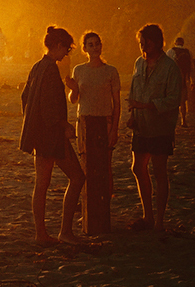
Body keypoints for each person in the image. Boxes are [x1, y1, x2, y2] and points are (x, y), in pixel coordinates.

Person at [19, 26, 85, 245]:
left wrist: (32, 125)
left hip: (40, 135)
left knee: (42, 183)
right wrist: (63, 125)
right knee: (77, 177)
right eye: (65, 50)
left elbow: (25, 98)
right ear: (58, 46)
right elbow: (49, 107)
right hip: (52, 136)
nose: (66, 54)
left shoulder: (37, 67)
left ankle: (41, 234)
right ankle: (65, 231)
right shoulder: (49, 69)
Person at [65, 32, 121, 234]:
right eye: (90, 45)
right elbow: (74, 99)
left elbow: (117, 104)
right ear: (85, 48)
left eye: (97, 44)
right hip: (85, 122)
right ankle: (89, 210)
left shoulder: (111, 71)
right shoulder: (79, 70)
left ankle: (104, 209)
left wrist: (114, 128)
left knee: (105, 167)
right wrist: (73, 88)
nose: (95, 47)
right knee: (86, 167)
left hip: (104, 121)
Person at [128, 24, 181, 233]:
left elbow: (173, 99)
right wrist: (133, 114)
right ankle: (147, 216)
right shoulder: (138, 64)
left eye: (146, 41)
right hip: (141, 126)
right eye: (141, 41)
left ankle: (159, 220)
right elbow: (134, 91)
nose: (143, 45)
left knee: (159, 172)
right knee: (137, 168)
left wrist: (148, 106)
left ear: (156, 42)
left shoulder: (170, 67)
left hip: (160, 127)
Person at [167, 36, 192, 127]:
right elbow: (191, 67)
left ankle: (171, 121)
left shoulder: (171, 51)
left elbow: (166, 65)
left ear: (175, 42)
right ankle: (183, 120)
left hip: (173, 79)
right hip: (184, 79)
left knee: (171, 101)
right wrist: (190, 79)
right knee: (183, 101)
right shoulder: (188, 52)